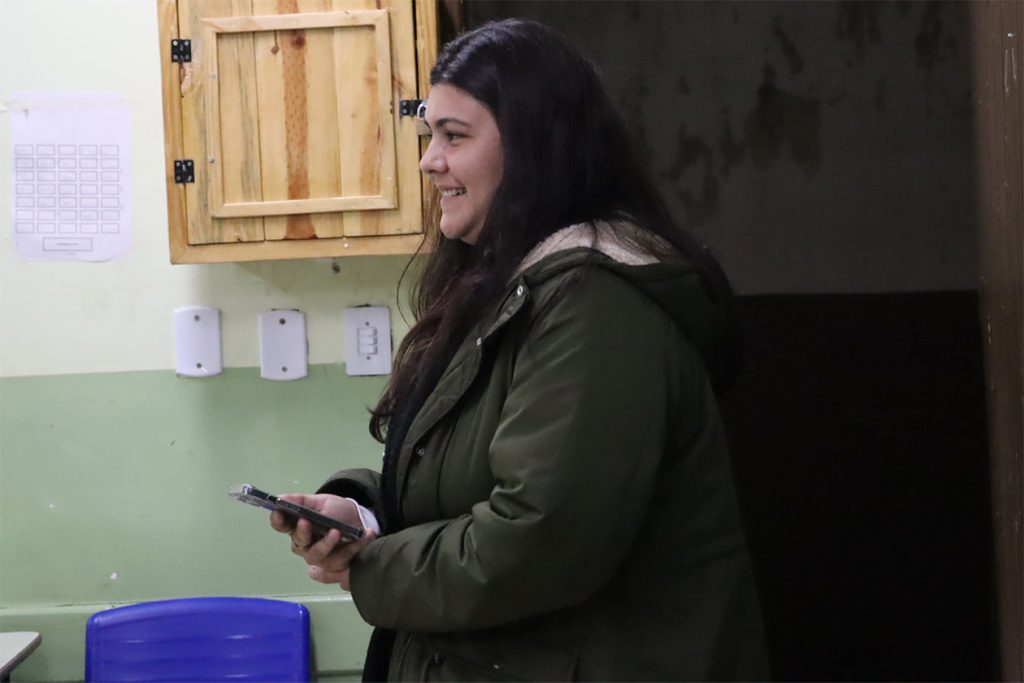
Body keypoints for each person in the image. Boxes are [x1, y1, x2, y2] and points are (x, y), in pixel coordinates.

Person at [271, 18, 768, 682]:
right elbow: (475, 486)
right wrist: (361, 515)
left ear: (535, 148)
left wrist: (373, 564)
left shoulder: (597, 303)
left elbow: (539, 541)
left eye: (454, 136)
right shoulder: (509, 286)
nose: (428, 161)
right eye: (429, 135)